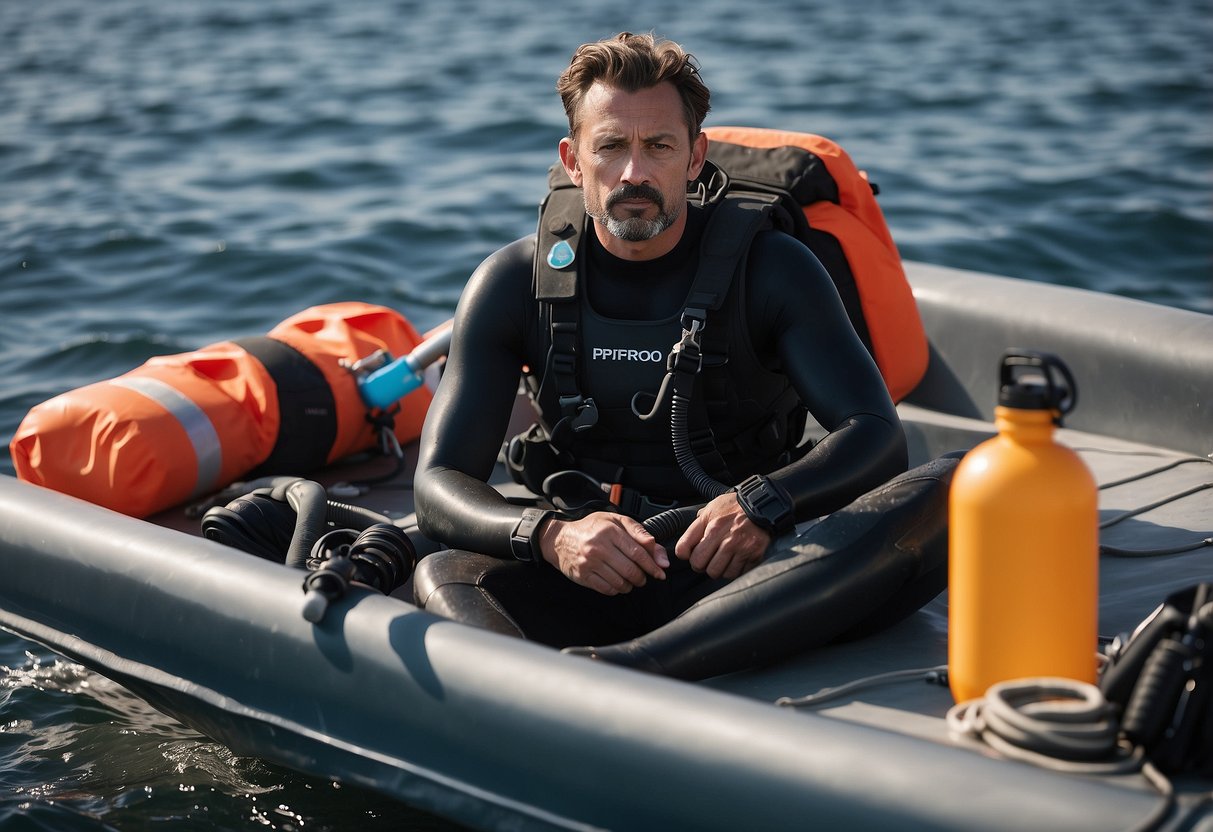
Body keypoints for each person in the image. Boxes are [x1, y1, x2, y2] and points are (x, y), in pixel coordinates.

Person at [411, 32, 908, 650]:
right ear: (573, 160)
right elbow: (438, 486)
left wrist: (763, 503)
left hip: (746, 565)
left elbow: (877, 435)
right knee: (439, 572)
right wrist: (551, 536)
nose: (634, 173)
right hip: (589, 560)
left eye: (659, 146)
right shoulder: (513, 282)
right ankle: (594, 679)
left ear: (696, 157)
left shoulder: (776, 269)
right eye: (611, 147)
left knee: (945, 487)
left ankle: (644, 668)